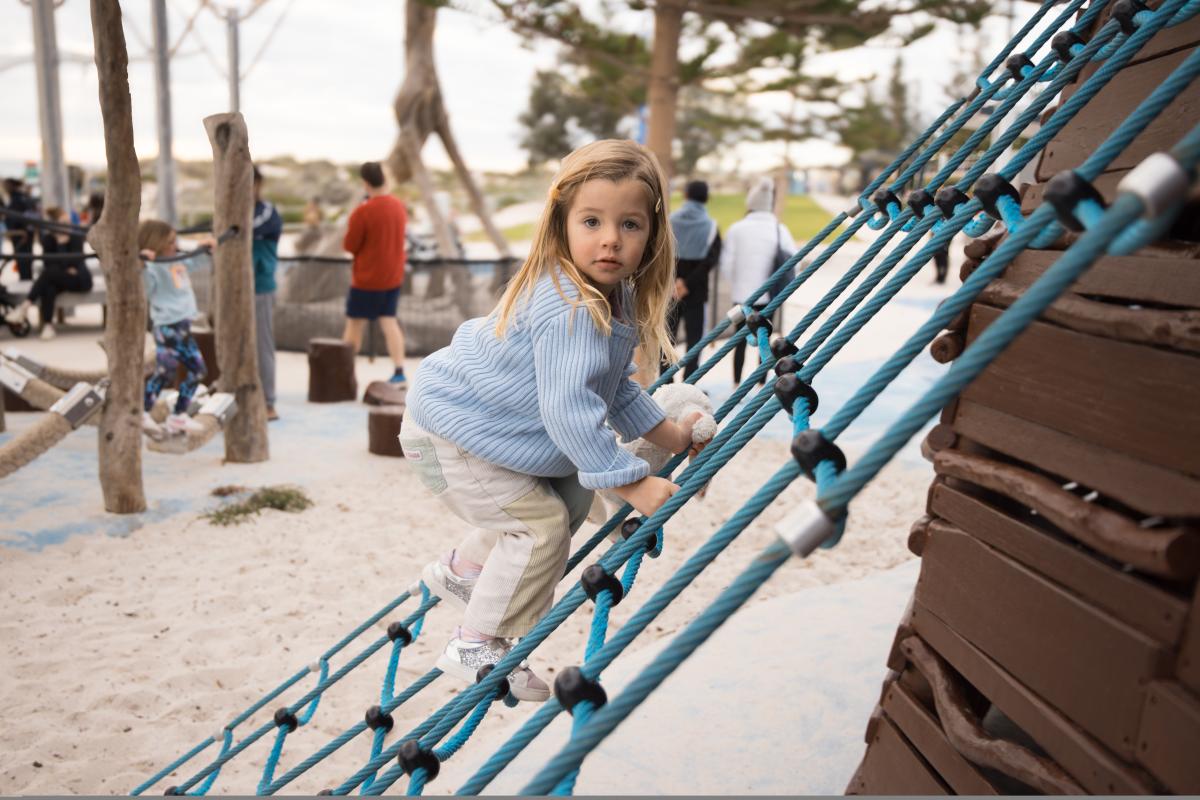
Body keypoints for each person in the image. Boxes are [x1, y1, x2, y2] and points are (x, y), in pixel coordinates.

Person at [399, 140, 712, 701]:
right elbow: (570, 414)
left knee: (566, 501)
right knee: (542, 529)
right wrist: (634, 481)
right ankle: (474, 643)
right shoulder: (571, 307)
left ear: (653, 235)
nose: (611, 238)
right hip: (449, 438)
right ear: (563, 222)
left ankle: (464, 570)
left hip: (470, 431)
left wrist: (672, 436)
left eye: (630, 224)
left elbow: (614, 390)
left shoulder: (606, 297)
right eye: (592, 220)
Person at [138, 220, 216, 439]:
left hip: (183, 326)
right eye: (171, 241)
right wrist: (143, 265)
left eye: (175, 240)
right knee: (166, 370)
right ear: (158, 243)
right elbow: (146, 288)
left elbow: (195, 261)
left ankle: (178, 415)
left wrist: (206, 247)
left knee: (198, 370)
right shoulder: (152, 267)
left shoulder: (177, 261)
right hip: (167, 326)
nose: (176, 244)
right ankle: (143, 411)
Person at [719, 177, 797, 385]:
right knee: (764, 340)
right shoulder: (780, 229)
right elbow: (793, 263)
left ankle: (736, 382)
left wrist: (736, 284)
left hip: (741, 297)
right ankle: (761, 382)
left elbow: (726, 263)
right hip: (768, 295)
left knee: (739, 340)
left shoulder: (737, 229)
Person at [342, 161, 408, 384]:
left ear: (365, 183)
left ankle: (344, 373)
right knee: (389, 322)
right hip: (392, 277)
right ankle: (399, 371)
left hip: (366, 280)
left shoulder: (363, 211)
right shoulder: (399, 206)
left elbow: (350, 245)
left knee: (354, 325)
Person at [3, 206, 92, 339]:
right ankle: (47, 326)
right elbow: (49, 263)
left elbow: (75, 262)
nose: (67, 225)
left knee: (49, 275)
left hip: (80, 280)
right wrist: (63, 261)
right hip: (59, 279)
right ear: (54, 224)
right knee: (49, 287)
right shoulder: (48, 240)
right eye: (63, 223)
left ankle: (24, 307)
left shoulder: (75, 238)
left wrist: (62, 247)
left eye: (68, 222)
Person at [662, 179, 720, 379]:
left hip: (669, 291)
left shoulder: (670, 221)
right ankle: (690, 384)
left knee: (667, 339)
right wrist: (686, 284)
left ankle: (665, 383)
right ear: (707, 198)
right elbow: (710, 261)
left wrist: (675, 281)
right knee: (695, 340)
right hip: (696, 291)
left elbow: (661, 255)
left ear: (686, 195)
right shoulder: (711, 226)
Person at [252, 166, 283, 421]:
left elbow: (243, 229)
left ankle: (268, 401)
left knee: (263, 346)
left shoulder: (267, 213)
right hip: (231, 291)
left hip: (260, 288)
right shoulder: (226, 211)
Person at [3, 178, 38, 281]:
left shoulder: (16, 199)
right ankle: (26, 277)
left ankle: (25, 278)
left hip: (21, 234)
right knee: (26, 257)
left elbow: (15, 219)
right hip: (26, 233)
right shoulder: (24, 197)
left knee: (22, 258)